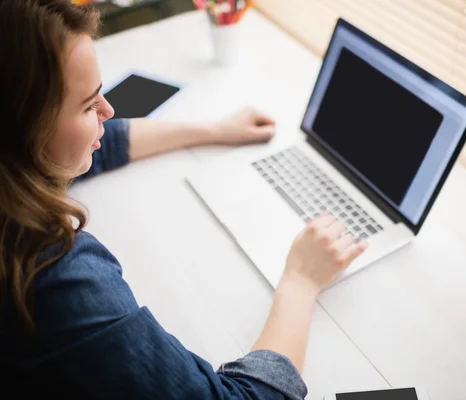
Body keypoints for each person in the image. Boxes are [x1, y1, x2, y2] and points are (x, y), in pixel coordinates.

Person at [0, 1, 368, 398]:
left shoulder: (13, 166)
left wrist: (215, 130)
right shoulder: (54, 276)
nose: (108, 110)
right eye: (89, 105)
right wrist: (300, 280)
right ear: (25, 126)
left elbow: (100, 146)